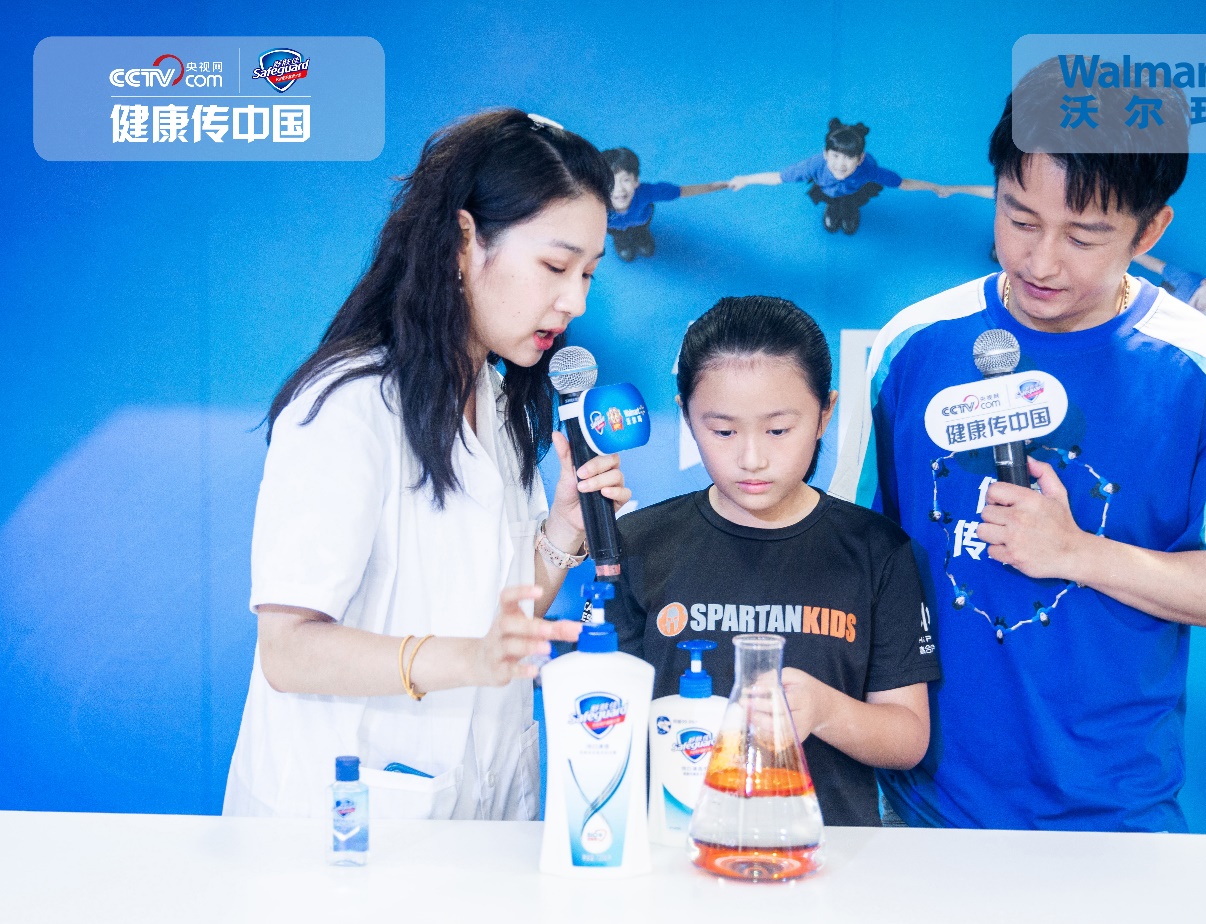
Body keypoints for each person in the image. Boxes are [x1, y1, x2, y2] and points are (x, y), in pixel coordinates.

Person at [829, 69, 1206, 832]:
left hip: (1117, 821)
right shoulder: (914, 344)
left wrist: (1079, 553)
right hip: (920, 815)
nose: (1041, 262)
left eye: (1083, 237)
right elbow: (847, 558)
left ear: (1150, 232)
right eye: (1019, 218)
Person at [223, 110, 631, 820]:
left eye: (589, 273)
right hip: (339, 828)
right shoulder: (348, 406)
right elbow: (287, 651)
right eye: (556, 266)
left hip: (478, 811)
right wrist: (467, 660)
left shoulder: (497, 401)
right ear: (463, 240)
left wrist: (565, 530)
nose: (576, 300)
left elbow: (503, 622)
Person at [612, 295, 940, 826]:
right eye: (723, 431)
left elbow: (908, 738)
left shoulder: (877, 550)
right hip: (673, 850)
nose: (752, 458)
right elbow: (605, 715)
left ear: (825, 413)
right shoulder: (638, 543)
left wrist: (826, 710)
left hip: (825, 853)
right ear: (687, 417)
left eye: (778, 430)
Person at [727, 118, 964, 235]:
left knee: (851, 204)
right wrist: (745, 179)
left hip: (854, 191)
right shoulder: (813, 166)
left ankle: (850, 213)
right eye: (835, 156)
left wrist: (934, 186)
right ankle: (833, 211)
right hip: (828, 191)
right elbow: (778, 177)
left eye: (849, 158)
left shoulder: (869, 169)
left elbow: (903, 183)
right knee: (833, 202)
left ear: (860, 158)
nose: (841, 164)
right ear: (825, 154)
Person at [602, 147, 727, 262]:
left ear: (636, 181)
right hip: (613, 227)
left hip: (641, 221)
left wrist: (725, 184)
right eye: (610, 182)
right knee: (619, 236)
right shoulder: (597, 203)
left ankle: (641, 238)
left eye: (626, 180)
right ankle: (622, 244)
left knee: (641, 231)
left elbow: (683, 191)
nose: (619, 189)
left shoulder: (647, 192)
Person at [1132, 252, 1206, 326]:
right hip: (1170, 298)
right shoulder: (1187, 280)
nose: (1205, 303)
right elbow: (1158, 265)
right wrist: (1131, 253)